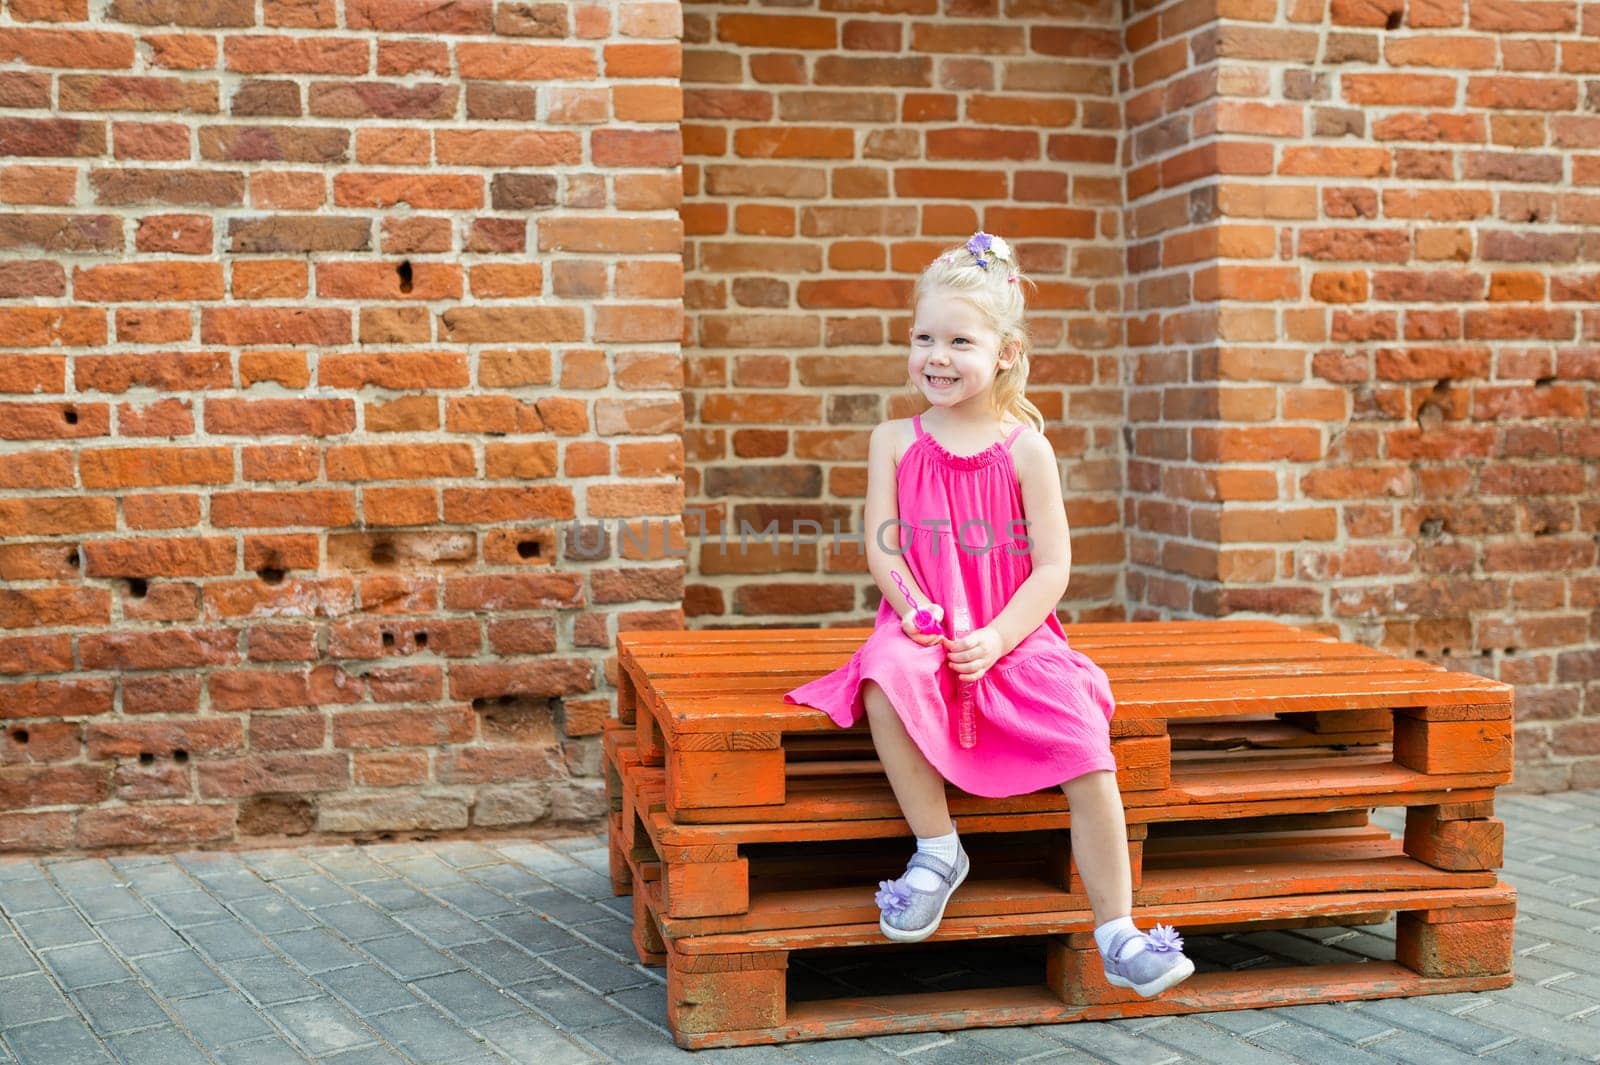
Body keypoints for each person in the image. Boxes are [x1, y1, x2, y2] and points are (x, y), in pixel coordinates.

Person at [783, 233, 1194, 998]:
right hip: (923, 623)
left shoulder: (1026, 449)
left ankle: (1117, 931)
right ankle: (938, 848)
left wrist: (1001, 635)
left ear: (1005, 353)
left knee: (1083, 734)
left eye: (958, 341)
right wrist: (915, 612)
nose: (935, 356)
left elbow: (1052, 568)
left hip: (1014, 630)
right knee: (884, 677)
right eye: (923, 338)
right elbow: (884, 547)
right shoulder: (895, 442)